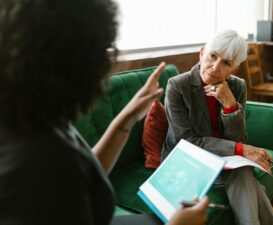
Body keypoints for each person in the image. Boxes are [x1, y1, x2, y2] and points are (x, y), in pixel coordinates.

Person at [0, 0, 209, 224]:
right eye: (102, 52)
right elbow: (64, 174)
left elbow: (84, 172)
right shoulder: (45, 161)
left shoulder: (32, 114)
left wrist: (126, 118)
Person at [161, 30, 273, 225]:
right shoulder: (177, 86)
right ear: (201, 53)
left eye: (226, 63)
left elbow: (237, 137)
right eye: (212, 56)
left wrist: (230, 104)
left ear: (233, 69)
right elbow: (186, 142)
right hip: (186, 160)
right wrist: (240, 150)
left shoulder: (237, 87)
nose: (215, 67)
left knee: (243, 173)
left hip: (223, 158)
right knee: (247, 177)